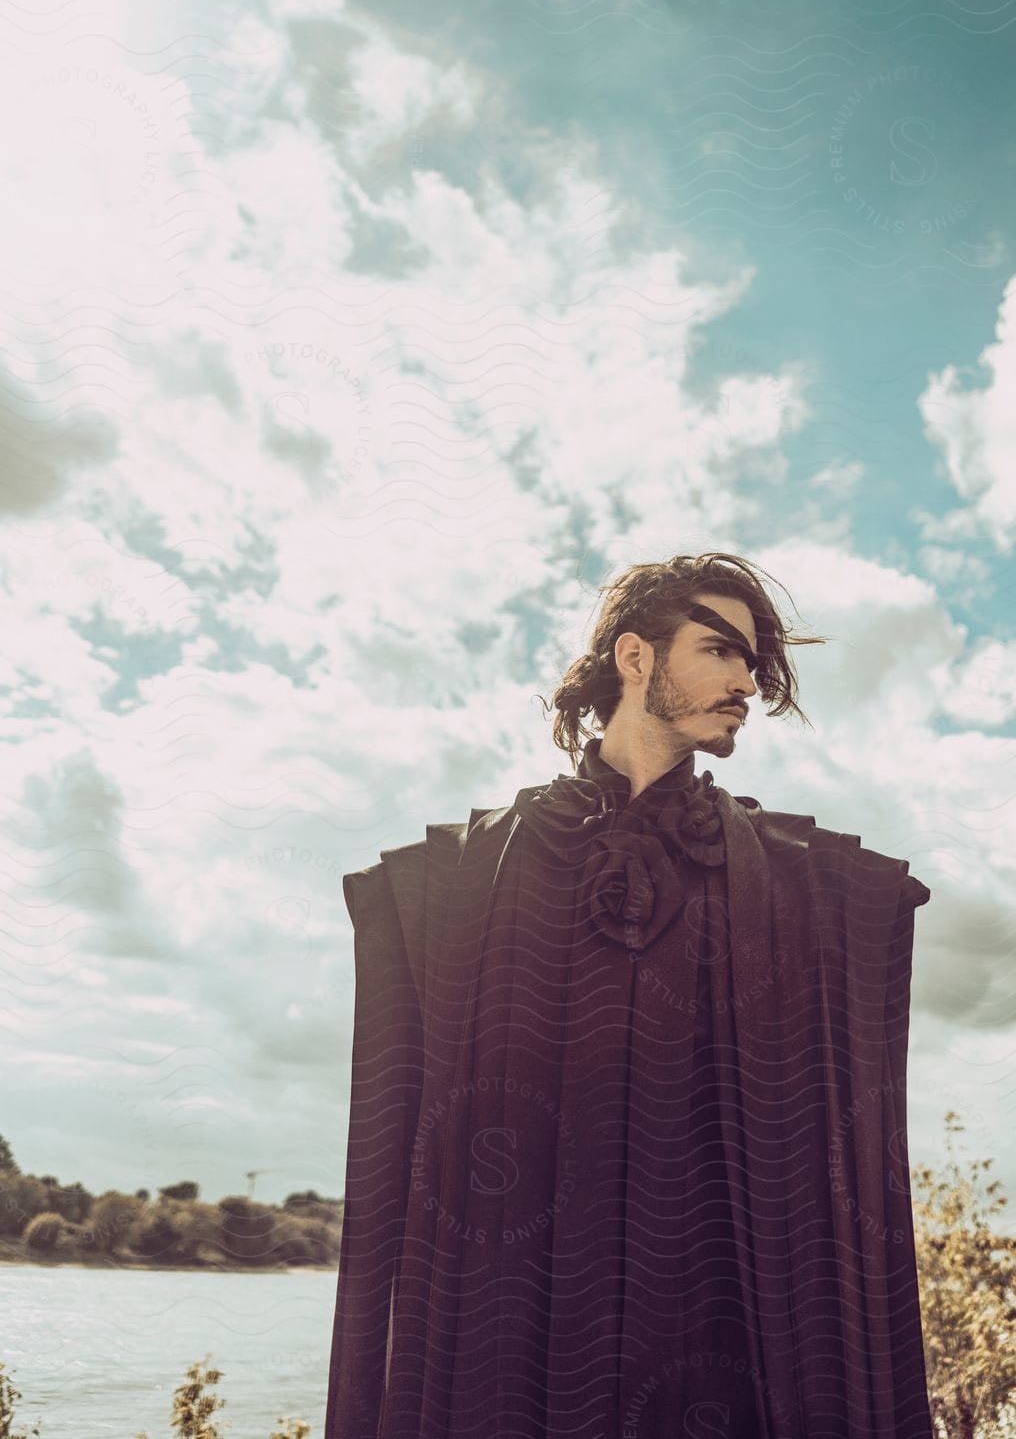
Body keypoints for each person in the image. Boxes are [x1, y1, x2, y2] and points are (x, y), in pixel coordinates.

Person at [324, 551, 934, 1438]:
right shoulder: (480, 871)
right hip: (520, 1297)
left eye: (753, 664)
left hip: (709, 1295)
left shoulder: (781, 877)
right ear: (635, 658)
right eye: (720, 651)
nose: (745, 684)